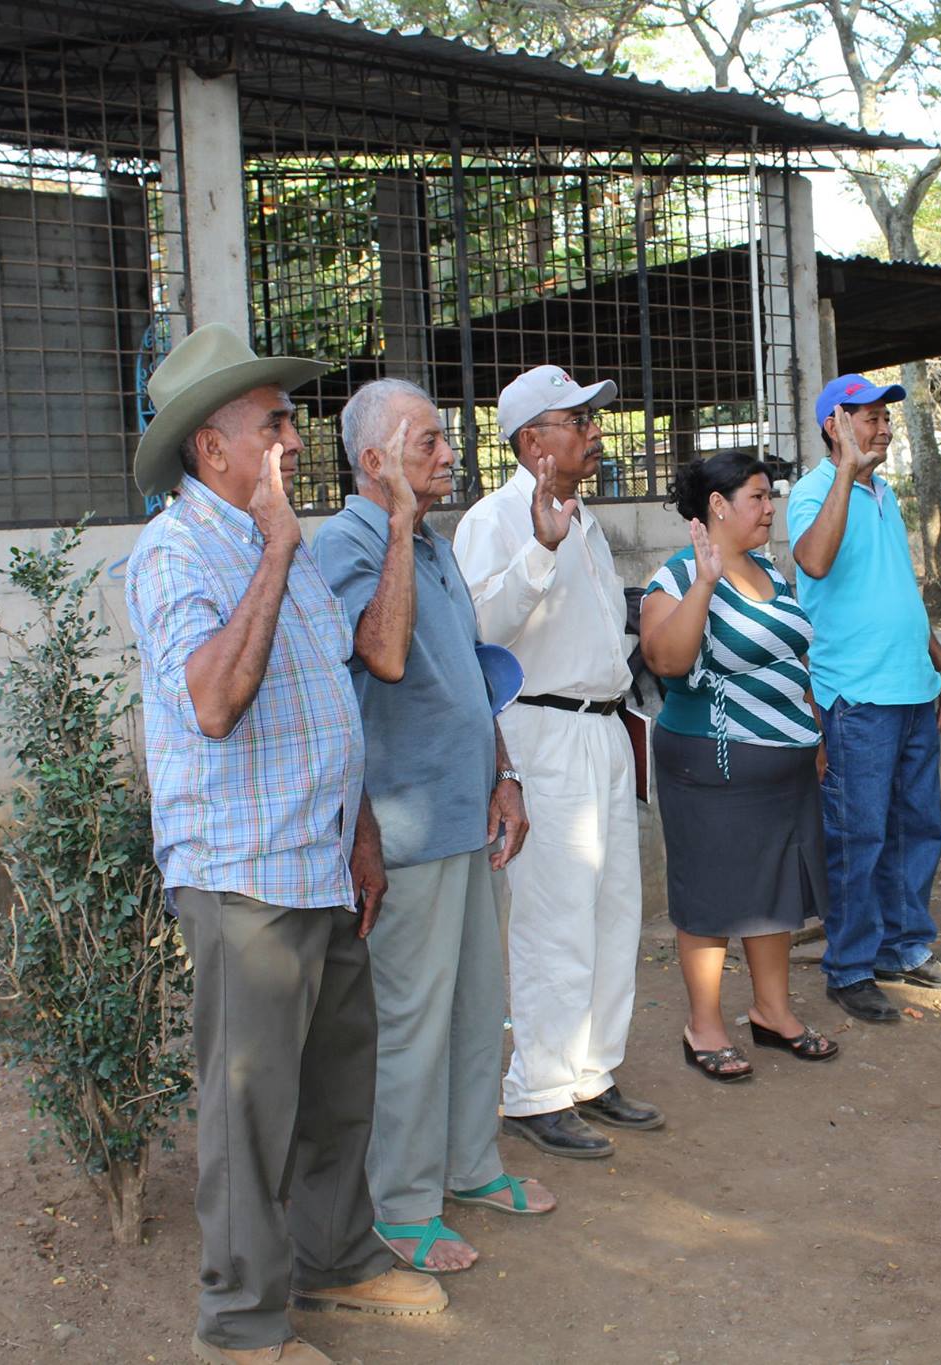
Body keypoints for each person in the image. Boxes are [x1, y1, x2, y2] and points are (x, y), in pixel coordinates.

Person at [124, 325, 444, 1364]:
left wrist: (358, 834)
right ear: (212, 450)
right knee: (250, 1113)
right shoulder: (177, 553)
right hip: (243, 878)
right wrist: (271, 547)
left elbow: (322, 698)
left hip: (317, 859)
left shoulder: (284, 542)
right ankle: (242, 1326)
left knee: (335, 1084)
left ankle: (336, 1259)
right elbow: (215, 700)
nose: (293, 441)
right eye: (273, 425)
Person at [310, 379, 555, 1278]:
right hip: (403, 831)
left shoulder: (438, 547)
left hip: (466, 813)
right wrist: (403, 532)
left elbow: (465, 677)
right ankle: (401, 1206)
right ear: (373, 463)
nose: (450, 455)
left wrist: (505, 773)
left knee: (472, 1011)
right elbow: (373, 655)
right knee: (408, 1023)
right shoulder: (346, 544)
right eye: (428, 444)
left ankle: (469, 1164)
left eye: (446, 440)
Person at [454, 364, 663, 1161]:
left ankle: (592, 1071)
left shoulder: (585, 518)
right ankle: (538, 1088)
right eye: (578, 420)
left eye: (591, 419)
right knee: (552, 917)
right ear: (531, 438)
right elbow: (476, 630)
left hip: (603, 729)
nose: (594, 432)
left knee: (614, 908)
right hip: (541, 734)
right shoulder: (495, 518)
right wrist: (537, 551)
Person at [639, 452, 840, 1078]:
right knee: (712, 896)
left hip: (785, 763)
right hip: (712, 766)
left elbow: (790, 659)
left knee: (774, 891)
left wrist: (813, 733)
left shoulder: (771, 572)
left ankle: (772, 1014)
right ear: (718, 505)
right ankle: (703, 1026)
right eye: (758, 496)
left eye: (771, 495)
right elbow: (667, 661)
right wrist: (704, 581)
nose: (770, 507)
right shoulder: (674, 576)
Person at [788, 373, 941, 1023]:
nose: (883, 428)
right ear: (833, 427)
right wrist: (844, 471)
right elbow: (814, 561)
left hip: (910, 685)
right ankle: (849, 967)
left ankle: (904, 947)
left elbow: (895, 582)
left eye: (884, 418)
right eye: (866, 418)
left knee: (917, 827)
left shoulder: (884, 493)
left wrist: (934, 651)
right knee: (859, 835)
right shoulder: (814, 491)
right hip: (856, 695)